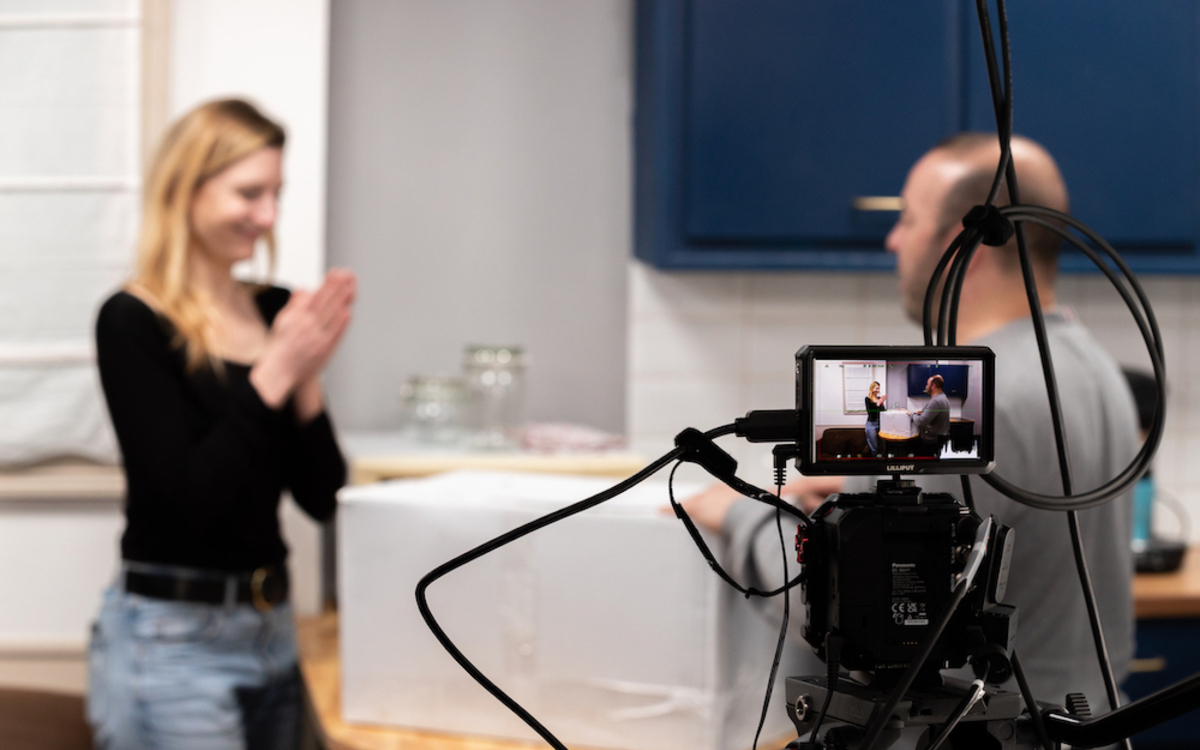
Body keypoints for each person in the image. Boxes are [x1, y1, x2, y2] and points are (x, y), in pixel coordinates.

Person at [682, 133, 1138, 717]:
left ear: (958, 242)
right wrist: (851, 496)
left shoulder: (978, 403)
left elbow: (853, 612)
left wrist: (738, 516)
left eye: (909, 219)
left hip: (981, 730)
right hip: (1087, 719)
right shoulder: (1091, 366)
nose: (892, 239)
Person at [88, 98, 356, 749]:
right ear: (187, 188)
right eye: (249, 193)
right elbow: (183, 502)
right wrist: (274, 371)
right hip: (174, 642)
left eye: (277, 195)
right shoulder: (133, 320)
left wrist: (307, 374)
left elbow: (323, 498)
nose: (266, 217)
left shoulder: (271, 308)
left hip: (272, 630)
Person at [910, 373, 949, 457]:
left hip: (931, 442)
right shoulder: (942, 397)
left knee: (926, 465)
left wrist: (912, 414)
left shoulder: (936, 401)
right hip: (938, 439)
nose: (926, 386)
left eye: (927, 384)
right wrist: (924, 413)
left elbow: (921, 422)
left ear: (933, 386)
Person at [863, 381, 885, 455]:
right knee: (874, 446)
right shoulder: (868, 399)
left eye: (879, 389)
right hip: (871, 424)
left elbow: (883, 411)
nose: (878, 390)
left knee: (880, 445)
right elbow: (871, 412)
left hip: (880, 424)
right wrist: (879, 403)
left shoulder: (879, 398)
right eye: (876, 388)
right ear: (872, 389)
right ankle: (875, 461)